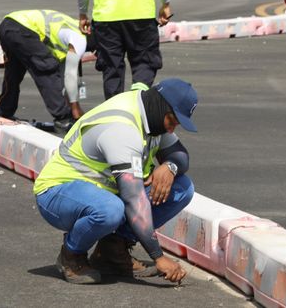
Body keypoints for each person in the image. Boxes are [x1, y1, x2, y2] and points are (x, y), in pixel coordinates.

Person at [33, 77, 198, 284]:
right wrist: (159, 257)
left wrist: (169, 167)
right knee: (111, 210)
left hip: (103, 193)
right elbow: (134, 200)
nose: (172, 129)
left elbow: (181, 155)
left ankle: (112, 251)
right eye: (172, 121)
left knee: (182, 188)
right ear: (161, 107)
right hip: (58, 192)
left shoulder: (152, 115)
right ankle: (71, 255)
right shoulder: (123, 128)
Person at [0, 9, 91, 132]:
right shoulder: (80, 39)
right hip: (23, 29)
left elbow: (64, 79)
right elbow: (70, 76)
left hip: (8, 24)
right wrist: (75, 110)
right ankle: (63, 119)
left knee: (14, 71)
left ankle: (4, 110)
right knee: (47, 68)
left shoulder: (72, 26)